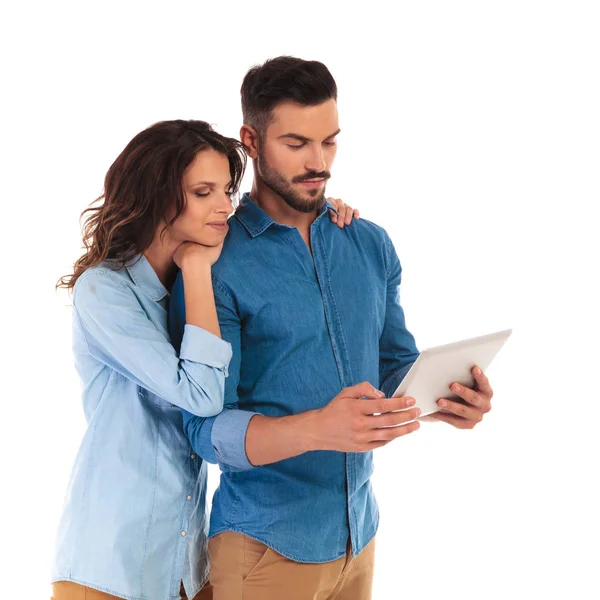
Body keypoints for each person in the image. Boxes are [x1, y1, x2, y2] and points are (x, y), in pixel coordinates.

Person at [170, 57, 495, 600]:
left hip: (358, 538)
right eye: (296, 144)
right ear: (251, 140)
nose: (318, 163)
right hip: (263, 549)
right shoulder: (216, 264)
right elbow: (205, 430)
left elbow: (394, 367)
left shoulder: (369, 243)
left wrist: (449, 399)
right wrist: (317, 429)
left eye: (330, 142)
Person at [51, 117, 359, 600]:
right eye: (203, 192)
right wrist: (197, 269)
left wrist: (320, 218)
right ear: (157, 198)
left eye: (227, 189)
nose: (224, 207)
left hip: (185, 564)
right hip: (109, 567)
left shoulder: (192, 286)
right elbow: (202, 394)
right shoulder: (105, 291)